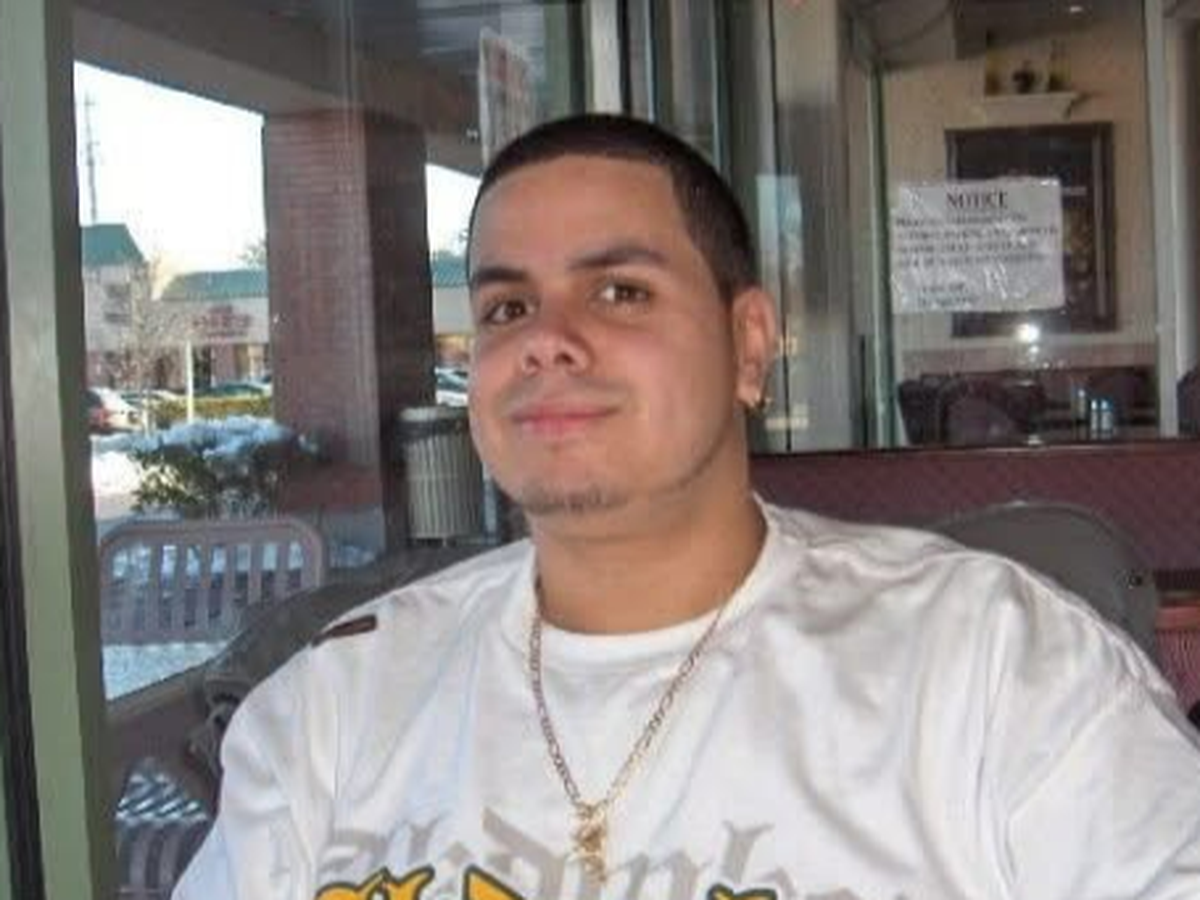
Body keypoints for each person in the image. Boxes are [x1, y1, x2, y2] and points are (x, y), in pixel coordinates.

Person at [174, 114, 1200, 900]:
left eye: (619, 291)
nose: (545, 340)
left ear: (749, 346)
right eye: (506, 307)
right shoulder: (327, 710)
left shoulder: (1001, 671)